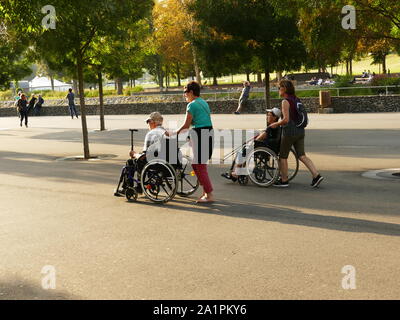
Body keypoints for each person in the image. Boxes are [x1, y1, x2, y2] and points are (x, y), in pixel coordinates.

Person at [167, 81, 214, 204]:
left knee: (199, 166)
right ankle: (206, 192)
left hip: (200, 134)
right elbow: (202, 121)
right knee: (197, 165)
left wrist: (172, 133)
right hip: (208, 133)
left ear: (191, 92)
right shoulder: (203, 102)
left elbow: (186, 125)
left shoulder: (191, 105)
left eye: (185, 92)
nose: (184, 95)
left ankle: (209, 194)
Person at [270, 80, 324, 188]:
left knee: (283, 156)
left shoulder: (285, 101)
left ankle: (284, 180)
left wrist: (276, 124)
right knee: (302, 155)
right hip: (300, 131)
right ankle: (316, 175)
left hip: (289, 132)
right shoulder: (296, 99)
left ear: (284, 89)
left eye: (279, 87)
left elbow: (286, 120)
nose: (278, 90)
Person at [222, 107, 282, 181]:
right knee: (245, 149)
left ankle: (236, 174)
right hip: (271, 147)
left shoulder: (270, 127)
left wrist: (251, 141)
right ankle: (240, 170)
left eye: (269, 115)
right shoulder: (278, 126)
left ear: (275, 117)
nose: (267, 116)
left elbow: (259, 138)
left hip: (264, 148)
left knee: (242, 151)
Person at [114, 112, 166, 196]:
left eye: (148, 122)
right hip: (164, 162)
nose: (148, 124)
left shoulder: (151, 134)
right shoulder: (166, 132)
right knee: (140, 159)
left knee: (131, 162)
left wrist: (134, 154)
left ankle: (130, 187)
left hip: (153, 162)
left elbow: (145, 155)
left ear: (153, 122)